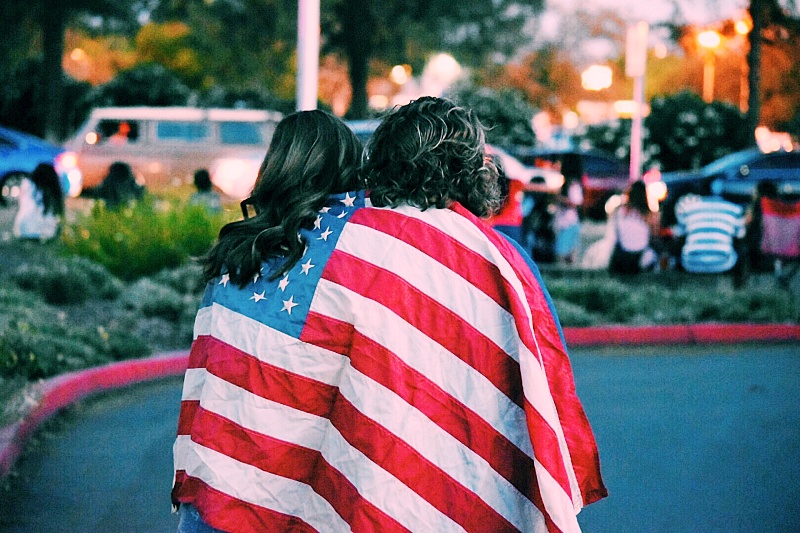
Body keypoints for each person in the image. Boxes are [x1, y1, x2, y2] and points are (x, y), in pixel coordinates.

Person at [172, 100, 606, 533]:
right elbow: (545, 378)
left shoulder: (323, 246)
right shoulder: (504, 262)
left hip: (229, 485)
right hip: (452, 482)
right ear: (474, 168)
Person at [672, 180, 746, 274]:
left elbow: (679, 233)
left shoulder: (688, 208)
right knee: (740, 246)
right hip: (724, 263)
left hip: (690, 263)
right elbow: (740, 236)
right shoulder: (735, 209)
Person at [608, 180, 660, 274]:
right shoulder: (649, 214)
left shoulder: (620, 210)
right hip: (641, 257)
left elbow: (614, 234)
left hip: (623, 257)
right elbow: (654, 235)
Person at [12, 162, 64, 240]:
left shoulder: (26, 184)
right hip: (46, 233)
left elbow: (21, 204)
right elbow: (57, 214)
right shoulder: (52, 190)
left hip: (23, 230)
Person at [553, 153, 584, 264]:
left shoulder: (573, 184)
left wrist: (560, 198)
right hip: (566, 222)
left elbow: (577, 202)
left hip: (569, 222)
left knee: (562, 254)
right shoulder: (567, 183)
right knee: (565, 254)